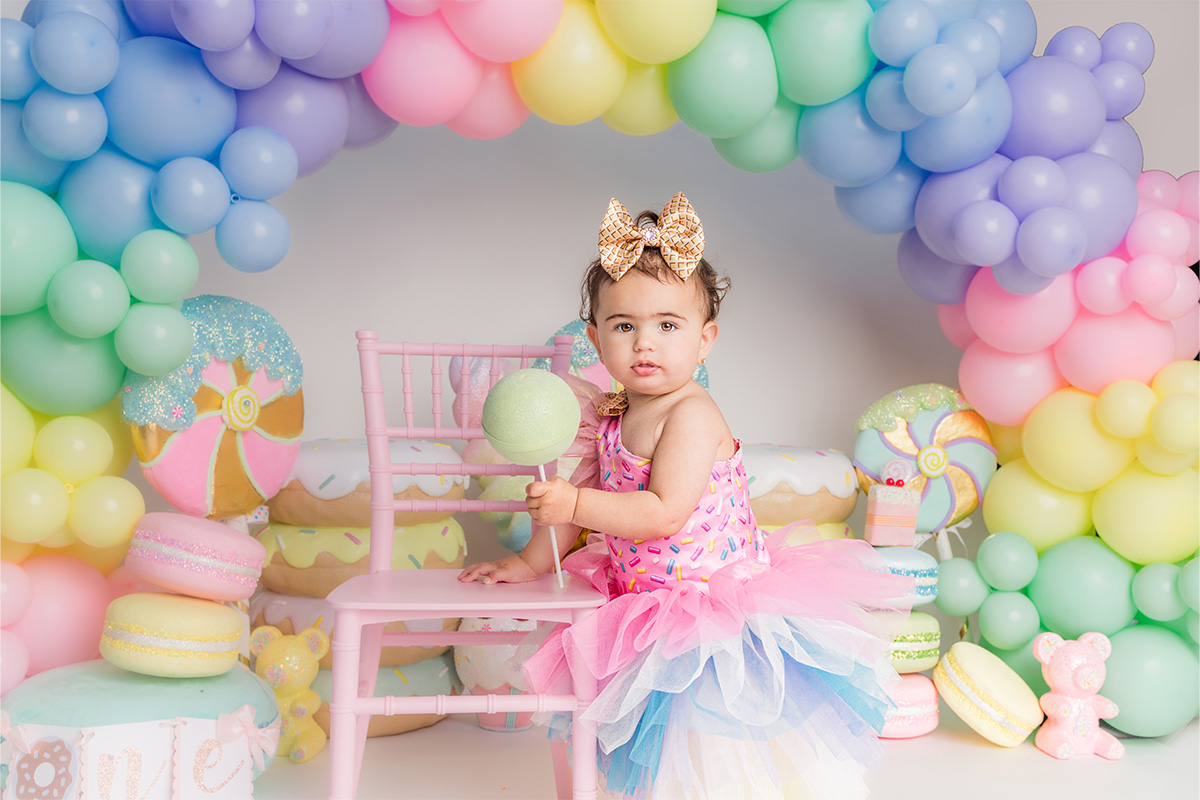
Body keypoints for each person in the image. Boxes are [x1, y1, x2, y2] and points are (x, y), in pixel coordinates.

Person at [460, 192, 912, 800]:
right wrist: (528, 561)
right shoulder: (611, 417)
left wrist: (572, 504)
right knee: (647, 750)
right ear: (596, 339)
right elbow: (584, 506)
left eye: (668, 326)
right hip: (640, 601)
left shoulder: (693, 415)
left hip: (707, 608)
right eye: (625, 326)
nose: (646, 344)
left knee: (712, 749)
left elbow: (662, 512)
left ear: (705, 339)